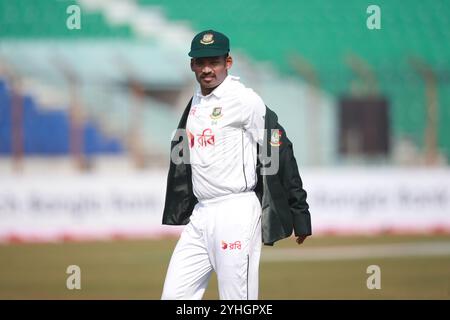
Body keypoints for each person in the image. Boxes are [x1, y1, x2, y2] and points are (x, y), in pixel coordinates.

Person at [161, 29, 311, 300]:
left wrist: (299, 211)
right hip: (201, 214)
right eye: (201, 62)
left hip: (236, 211)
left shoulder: (244, 100)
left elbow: (279, 147)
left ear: (227, 63)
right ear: (192, 64)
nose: (207, 69)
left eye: (214, 61)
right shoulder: (195, 101)